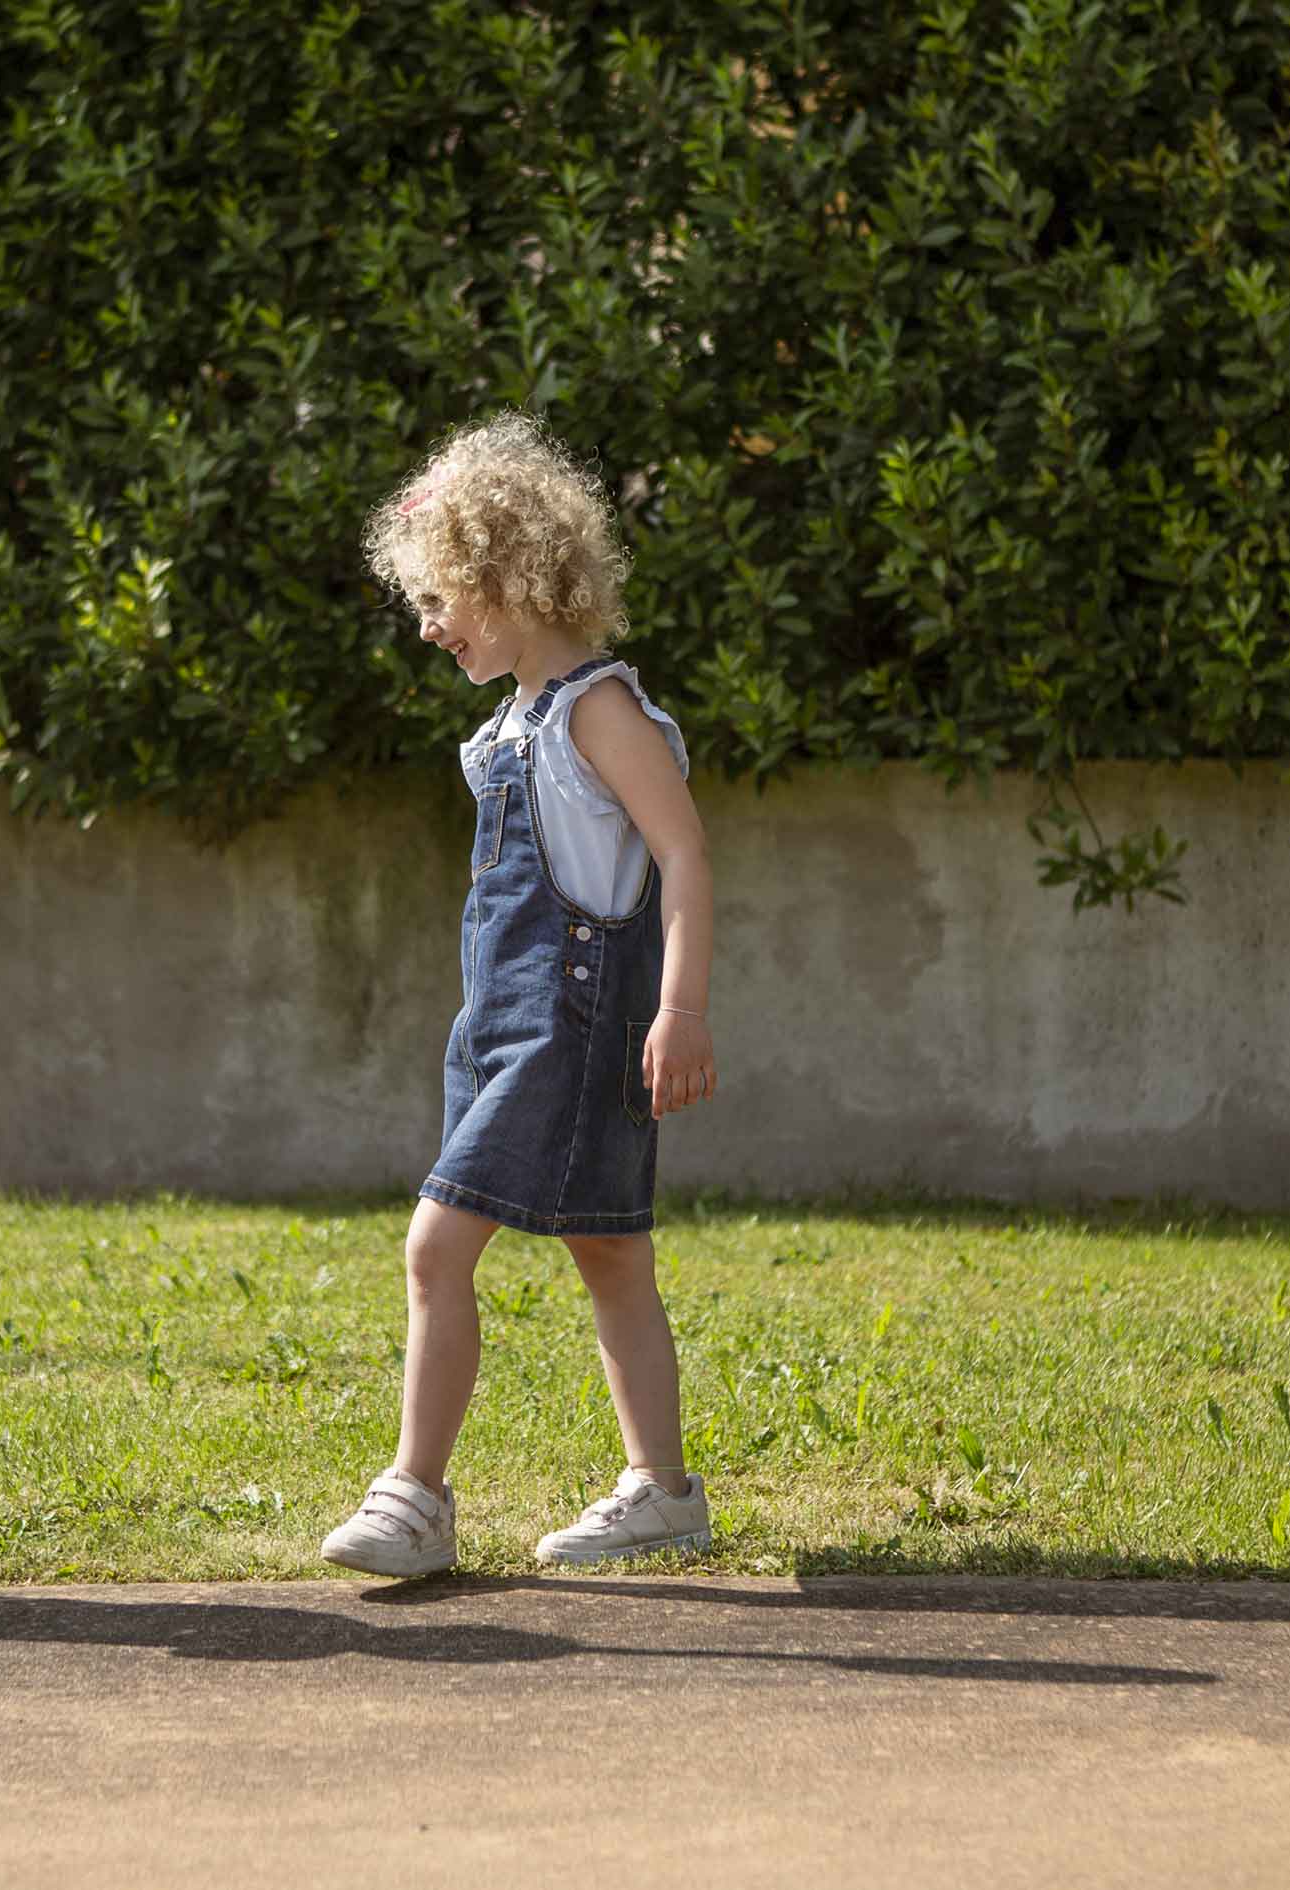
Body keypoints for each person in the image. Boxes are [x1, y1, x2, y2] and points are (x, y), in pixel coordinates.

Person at [321, 413, 719, 1578]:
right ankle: (660, 1489)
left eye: (440, 600)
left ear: (503, 578)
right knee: (611, 1256)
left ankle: (414, 1496)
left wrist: (680, 1009)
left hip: (569, 1031)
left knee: (434, 1249)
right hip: (500, 1028)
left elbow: (684, 856)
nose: (429, 627)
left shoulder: (597, 711)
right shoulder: (512, 727)